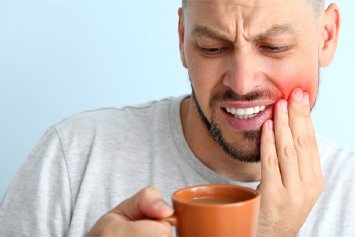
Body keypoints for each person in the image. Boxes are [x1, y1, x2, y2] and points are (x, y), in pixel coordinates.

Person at [1, 0, 354, 236]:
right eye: (212, 48)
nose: (242, 83)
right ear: (183, 37)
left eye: (274, 46)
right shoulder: (73, 157)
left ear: (326, 37)